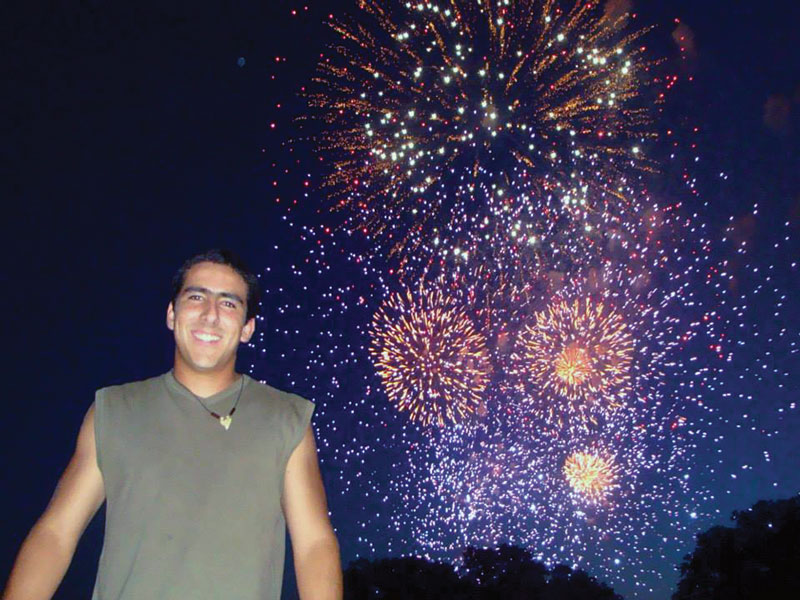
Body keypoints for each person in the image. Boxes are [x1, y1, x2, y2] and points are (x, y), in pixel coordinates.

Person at [2, 249, 342, 600]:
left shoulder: (286, 419)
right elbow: (57, 533)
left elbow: (313, 543)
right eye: (196, 297)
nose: (210, 315)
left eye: (229, 304)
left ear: (247, 328)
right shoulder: (115, 411)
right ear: (171, 313)